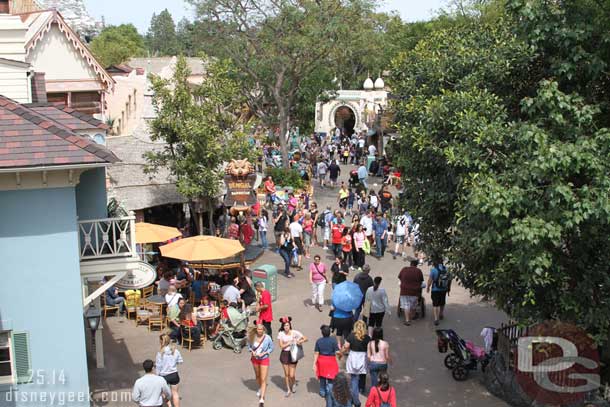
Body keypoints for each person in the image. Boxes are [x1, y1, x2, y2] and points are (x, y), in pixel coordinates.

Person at [343, 320, 371, 407]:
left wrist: (342, 352)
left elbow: (346, 346)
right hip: (363, 357)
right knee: (363, 374)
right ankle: (361, 388)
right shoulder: (367, 338)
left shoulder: (351, 336)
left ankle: (354, 399)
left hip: (353, 357)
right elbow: (369, 349)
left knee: (354, 378)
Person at [277, 316, 308, 396]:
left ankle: (293, 383)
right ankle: (288, 390)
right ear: (282, 326)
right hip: (284, 354)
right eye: (284, 325)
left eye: (287, 325)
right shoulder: (281, 333)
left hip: (293, 354)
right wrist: (289, 343)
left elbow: (305, 338)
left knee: (292, 375)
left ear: (290, 325)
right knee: (286, 374)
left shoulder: (294, 332)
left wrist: (299, 341)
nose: (286, 327)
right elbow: (281, 346)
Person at [313, 325, 342, 405]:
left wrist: (314, 363)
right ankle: (329, 391)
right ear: (329, 332)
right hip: (331, 361)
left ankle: (322, 392)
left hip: (321, 361)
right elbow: (337, 352)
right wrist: (340, 354)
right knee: (331, 378)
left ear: (322, 333)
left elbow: (316, 353)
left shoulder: (319, 341)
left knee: (322, 376)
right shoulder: (333, 340)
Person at [248, 323, 274, 406]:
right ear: (256, 329)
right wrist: (252, 351)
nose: (260, 331)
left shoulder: (267, 338)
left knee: (263, 378)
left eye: (261, 329)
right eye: (258, 329)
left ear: (263, 330)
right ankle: (260, 388)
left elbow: (271, 347)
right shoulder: (253, 337)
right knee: (258, 376)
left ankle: (262, 399)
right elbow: (249, 346)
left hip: (264, 359)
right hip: (255, 359)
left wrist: (264, 353)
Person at [156, 334, 183, 407]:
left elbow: (158, 366)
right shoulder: (175, 351)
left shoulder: (160, 353)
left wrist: (157, 376)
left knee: (163, 393)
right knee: (175, 393)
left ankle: (169, 405)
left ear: (161, 341)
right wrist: (173, 362)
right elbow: (180, 361)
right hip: (174, 374)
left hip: (164, 376)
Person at [398, 259, 424, 326]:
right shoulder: (418, 271)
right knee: (413, 305)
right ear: (416, 265)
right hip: (415, 292)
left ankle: (407, 320)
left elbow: (400, 278)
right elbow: (421, 281)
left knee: (406, 305)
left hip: (404, 291)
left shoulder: (404, 269)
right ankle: (412, 316)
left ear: (410, 264)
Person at [427, 261, 451, 326]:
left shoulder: (433, 270)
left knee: (435, 304)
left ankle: (436, 318)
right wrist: (448, 288)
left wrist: (428, 287)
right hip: (444, 289)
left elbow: (430, 280)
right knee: (442, 302)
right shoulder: (447, 269)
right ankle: (441, 314)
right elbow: (449, 279)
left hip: (435, 289)